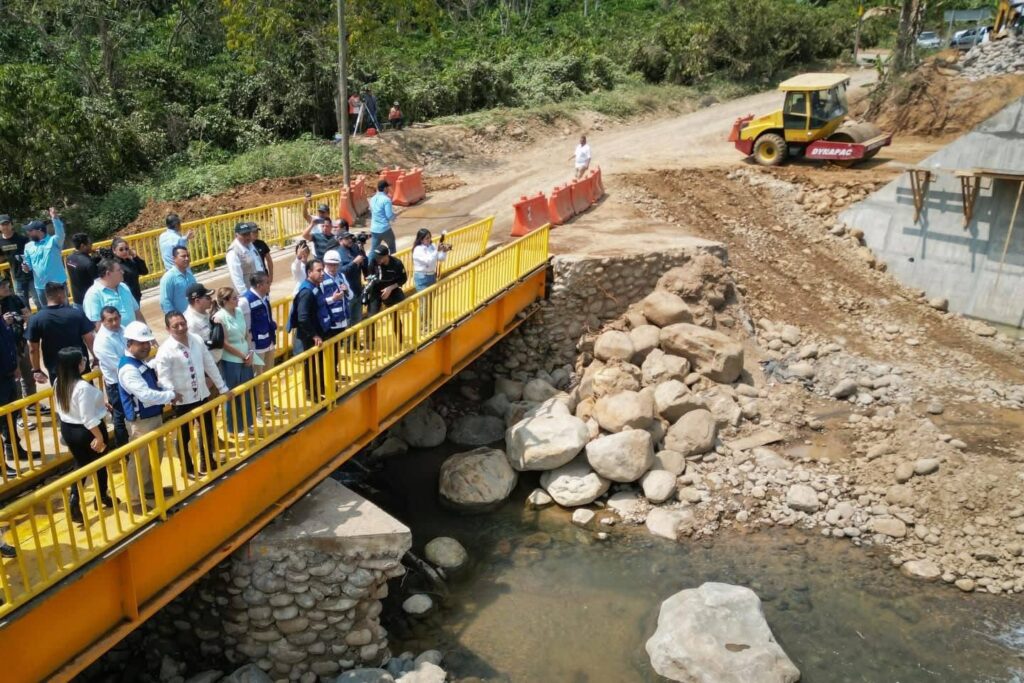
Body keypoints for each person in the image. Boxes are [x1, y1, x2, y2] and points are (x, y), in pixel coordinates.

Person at [154, 311, 230, 477]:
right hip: (183, 401)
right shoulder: (165, 350)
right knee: (184, 437)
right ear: (168, 329)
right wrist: (172, 393)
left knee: (207, 430)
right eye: (176, 326)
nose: (181, 328)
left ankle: (206, 460)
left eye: (183, 323)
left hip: (202, 395)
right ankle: (187, 468)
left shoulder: (196, 340)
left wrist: (222, 387)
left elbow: (209, 364)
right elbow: (163, 377)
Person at [118, 321, 178, 505]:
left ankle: (149, 489)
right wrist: (170, 395)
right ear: (129, 344)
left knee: (154, 456)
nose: (146, 347)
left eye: (147, 343)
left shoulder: (139, 363)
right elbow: (145, 395)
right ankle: (136, 498)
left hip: (152, 416)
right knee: (140, 461)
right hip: (142, 422)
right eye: (141, 343)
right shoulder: (129, 369)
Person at [53, 346, 112, 524]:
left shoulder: (59, 382)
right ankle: (102, 495)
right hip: (87, 431)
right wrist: (99, 437)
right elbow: (88, 418)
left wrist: (101, 406)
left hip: (68, 428)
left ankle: (75, 498)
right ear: (76, 365)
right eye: (82, 361)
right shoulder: (82, 387)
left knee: (81, 464)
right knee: (100, 463)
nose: (84, 363)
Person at [26, 282, 96, 385]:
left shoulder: (36, 319)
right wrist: (96, 358)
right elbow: (89, 339)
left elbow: (33, 348)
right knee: (85, 397)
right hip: (80, 366)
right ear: (60, 294)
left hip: (56, 369)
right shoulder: (76, 314)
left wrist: (36, 370)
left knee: (63, 400)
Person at [213, 286, 259, 435]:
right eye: (234, 298)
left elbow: (247, 334)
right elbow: (224, 343)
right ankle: (234, 427)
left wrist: (250, 352)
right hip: (231, 360)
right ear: (225, 301)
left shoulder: (238, 312)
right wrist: (241, 355)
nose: (237, 300)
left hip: (246, 356)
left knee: (247, 391)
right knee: (233, 394)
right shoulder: (219, 317)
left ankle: (248, 422)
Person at [288, 259, 331, 400]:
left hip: (317, 332)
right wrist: (314, 335)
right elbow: (303, 317)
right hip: (309, 336)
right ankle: (312, 393)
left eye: (322, 270)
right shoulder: (306, 292)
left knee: (317, 362)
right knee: (311, 364)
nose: (322, 273)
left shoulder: (315, 286)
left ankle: (319, 387)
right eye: (318, 270)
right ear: (309, 272)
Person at [92, 306, 130, 450]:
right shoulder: (101, 341)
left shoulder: (123, 329)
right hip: (117, 384)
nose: (114, 323)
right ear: (103, 322)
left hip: (129, 377)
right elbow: (117, 365)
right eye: (110, 320)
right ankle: (124, 448)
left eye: (116, 319)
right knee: (120, 417)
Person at [0, 312, 32, 476]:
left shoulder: (2, 321)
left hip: (9, 376)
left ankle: (14, 450)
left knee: (11, 418)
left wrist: (16, 366)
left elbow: (9, 344)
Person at [22, 208, 66, 306]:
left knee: (64, 310)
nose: (28, 233)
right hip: (41, 287)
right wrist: (25, 267)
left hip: (58, 284)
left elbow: (60, 233)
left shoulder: (54, 241)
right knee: (47, 314)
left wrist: (55, 218)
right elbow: (28, 266)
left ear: (39, 231)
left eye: (30, 231)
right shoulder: (28, 246)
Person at [82, 259, 144, 329]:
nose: (123, 272)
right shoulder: (93, 295)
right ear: (108, 273)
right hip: (115, 339)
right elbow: (96, 324)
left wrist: (148, 334)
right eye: (119, 270)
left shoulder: (124, 287)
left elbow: (136, 312)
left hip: (134, 337)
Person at [366, 244, 408, 346]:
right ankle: (370, 344)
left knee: (394, 316)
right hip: (376, 291)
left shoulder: (397, 263)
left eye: (380, 257)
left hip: (391, 290)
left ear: (387, 256)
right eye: (376, 257)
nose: (378, 259)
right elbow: (369, 277)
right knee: (371, 318)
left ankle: (400, 341)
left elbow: (403, 279)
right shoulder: (374, 262)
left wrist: (390, 288)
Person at [0, 279, 35, 400]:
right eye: (2, 286)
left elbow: (27, 312)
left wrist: (27, 316)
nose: (6, 287)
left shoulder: (14, 299)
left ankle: (31, 404)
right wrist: (3, 322)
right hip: (7, 348)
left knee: (29, 375)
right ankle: (19, 413)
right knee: (15, 380)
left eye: (6, 284)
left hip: (21, 342)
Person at [240, 272, 277, 374]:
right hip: (256, 348)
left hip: (269, 342)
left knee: (268, 376)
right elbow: (245, 328)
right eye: (267, 283)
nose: (269, 285)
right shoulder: (245, 301)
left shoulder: (265, 297)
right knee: (259, 379)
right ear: (259, 285)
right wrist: (250, 349)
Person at [0, 214, 37, 311]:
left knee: (38, 301)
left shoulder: (22, 239)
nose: (5, 226)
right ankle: (29, 324)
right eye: (3, 224)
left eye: (7, 224)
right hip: (17, 278)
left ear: (11, 225)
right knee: (23, 304)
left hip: (32, 275)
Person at [337, 231, 368, 327]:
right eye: (346, 238)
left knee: (357, 321)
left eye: (350, 238)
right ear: (340, 240)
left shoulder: (355, 248)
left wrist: (362, 251)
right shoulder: (338, 253)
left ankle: (355, 342)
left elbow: (365, 264)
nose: (350, 240)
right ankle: (347, 342)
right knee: (347, 323)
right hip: (347, 295)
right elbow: (340, 272)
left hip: (357, 291)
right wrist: (354, 262)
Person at [322, 251, 354, 336]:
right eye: (331, 264)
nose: (333, 267)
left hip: (342, 321)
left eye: (336, 264)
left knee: (338, 348)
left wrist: (346, 290)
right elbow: (319, 302)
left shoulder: (341, 276)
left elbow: (351, 296)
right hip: (329, 323)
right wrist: (333, 299)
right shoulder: (321, 278)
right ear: (325, 263)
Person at [226, 222, 262, 296]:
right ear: (236, 235)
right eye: (244, 235)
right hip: (247, 294)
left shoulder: (250, 245)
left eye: (248, 234)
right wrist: (246, 295)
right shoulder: (233, 252)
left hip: (258, 290)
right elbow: (236, 277)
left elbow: (258, 264)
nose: (247, 237)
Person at [159, 246, 197, 314]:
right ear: (174, 259)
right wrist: (175, 318)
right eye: (183, 256)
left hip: (193, 317)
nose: (187, 258)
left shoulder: (190, 276)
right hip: (180, 321)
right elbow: (165, 302)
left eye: (188, 256)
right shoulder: (168, 278)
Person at [183, 283, 217, 357]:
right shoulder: (191, 323)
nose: (211, 300)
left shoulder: (203, 312)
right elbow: (194, 351)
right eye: (208, 298)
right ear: (197, 301)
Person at [112, 237, 149, 303]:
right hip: (123, 298)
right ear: (114, 250)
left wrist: (135, 256)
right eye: (121, 249)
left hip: (135, 296)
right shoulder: (114, 265)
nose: (125, 251)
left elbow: (144, 271)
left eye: (126, 249)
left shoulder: (130, 261)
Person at [66, 233, 98, 307]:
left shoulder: (69, 258)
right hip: (90, 302)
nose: (92, 246)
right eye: (90, 244)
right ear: (82, 246)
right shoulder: (88, 263)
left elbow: (79, 268)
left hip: (77, 300)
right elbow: (99, 281)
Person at [369, 180, 397, 256]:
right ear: (385, 188)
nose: (388, 189)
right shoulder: (386, 200)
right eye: (388, 187)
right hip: (384, 228)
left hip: (374, 229)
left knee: (373, 250)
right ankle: (393, 264)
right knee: (392, 248)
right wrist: (394, 216)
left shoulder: (372, 199)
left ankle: (369, 266)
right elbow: (389, 215)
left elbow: (372, 211)